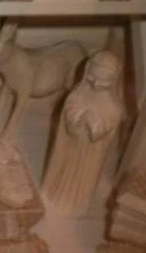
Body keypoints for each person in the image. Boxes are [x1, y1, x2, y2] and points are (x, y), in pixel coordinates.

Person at [42, 50, 125, 215]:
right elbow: (69, 110)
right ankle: (55, 193)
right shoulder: (78, 94)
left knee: (81, 177)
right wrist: (76, 118)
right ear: (87, 72)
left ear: (113, 81)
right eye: (92, 78)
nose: (96, 84)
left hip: (89, 153)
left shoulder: (112, 105)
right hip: (71, 146)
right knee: (64, 172)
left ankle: (76, 202)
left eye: (103, 81)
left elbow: (109, 123)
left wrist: (95, 124)